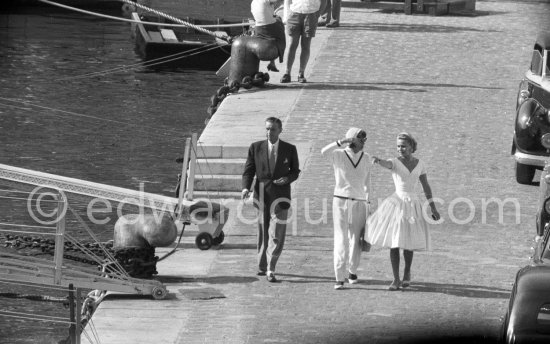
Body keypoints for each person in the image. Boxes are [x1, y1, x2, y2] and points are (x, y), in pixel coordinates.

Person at [368, 132, 441, 291]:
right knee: (394, 242)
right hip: (396, 204)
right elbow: (387, 164)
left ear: (411, 147)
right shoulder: (394, 162)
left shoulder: (420, 164)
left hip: (413, 204)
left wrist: (433, 207)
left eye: (403, 146)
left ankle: (407, 272)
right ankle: (395, 278)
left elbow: (426, 186)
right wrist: (378, 161)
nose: (400, 149)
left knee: (409, 240)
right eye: (398, 146)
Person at [242, 117, 301, 282]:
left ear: (280, 130)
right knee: (263, 231)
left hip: (281, 197)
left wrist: (287, 179)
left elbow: (295, 171)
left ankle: (271, 268)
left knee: (277, 234)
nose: (269, 132)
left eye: (273, 129)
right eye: (267, 129)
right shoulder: (256, 147)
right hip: (262, 196)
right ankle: (262, 266)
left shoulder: (289, 149)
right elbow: (249, 170)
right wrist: (245, 188)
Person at [321, 127, 373, 290]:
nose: (363, 142)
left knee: (357, 239)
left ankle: (352, 271)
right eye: (360, 139)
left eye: (364, 140)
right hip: (341, 201)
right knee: (341, 239)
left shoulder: (367, 158)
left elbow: (368, 183)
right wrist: (341, 142)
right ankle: (339, 276)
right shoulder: (339, 154)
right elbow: (323, 152)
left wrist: (368, 203)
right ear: (352, 139)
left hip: (359, 201)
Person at [280, 0, 326, 83]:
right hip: (294, 12)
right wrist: (287, 16)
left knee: (305, 45)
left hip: (311, 13)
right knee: (292, 44)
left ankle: (301, 73)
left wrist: (318, 14)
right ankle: (287, 73)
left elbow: (324, 1)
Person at [251, 0, 286, 72]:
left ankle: (272, 63)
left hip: (258, 28)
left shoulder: (253, 2)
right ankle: (276, 59)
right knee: (280, 36)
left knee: (271, 39)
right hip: (269, 26)